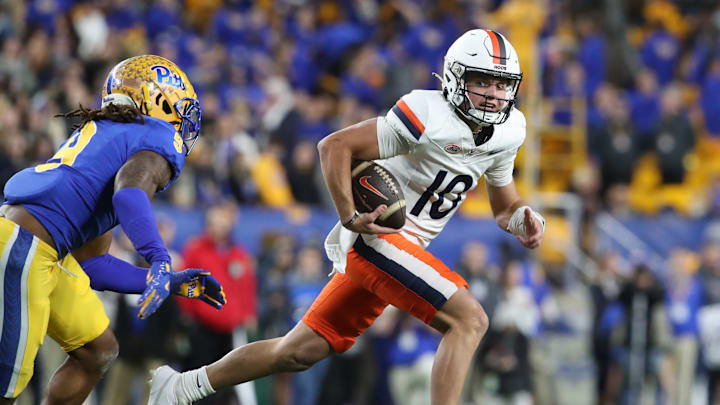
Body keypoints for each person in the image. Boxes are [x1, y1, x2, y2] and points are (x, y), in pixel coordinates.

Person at [149, 29, 545, 405]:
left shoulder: (509, 130)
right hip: (379, 241)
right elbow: (334, 146)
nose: (494, 95)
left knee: (298, 350)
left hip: (403, 251)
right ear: (457, 78)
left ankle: (181, 386)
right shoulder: (428, 114)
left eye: (502, 84)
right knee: (469, 320)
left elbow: (504, 207)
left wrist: (522, 217)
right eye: (483, 81)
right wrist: (349, 214)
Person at [0, 55, 226, 404]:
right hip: (25, 246)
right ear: (159, 100)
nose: (184, 123)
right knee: (5, 389)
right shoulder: (157, 137)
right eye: (180, 109)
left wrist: (170, 280)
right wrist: (159, 259)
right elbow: (130, 194)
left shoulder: (108, 140)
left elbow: (93, 266)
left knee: (98, 349)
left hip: (42, 249)